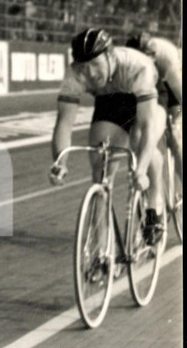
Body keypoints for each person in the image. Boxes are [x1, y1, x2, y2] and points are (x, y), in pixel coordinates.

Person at [49, 28, 166, 245]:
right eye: (84, 68)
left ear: (111, 55)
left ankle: (154, 206)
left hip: (146, 100)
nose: (91, 73)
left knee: (142, 145)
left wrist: (140, 170)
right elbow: (64, 122)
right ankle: (102, 251)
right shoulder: (74, 74)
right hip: (110, 102)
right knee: (100, 170)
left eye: (95, 64)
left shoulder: (137, 65)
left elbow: (148, 125)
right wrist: (60, 162)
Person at [126, 30, 183, 187]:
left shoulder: (167, 62)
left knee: (176, 136)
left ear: (153, 56)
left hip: (172, 85)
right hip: (150, 85)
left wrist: (177, 120)